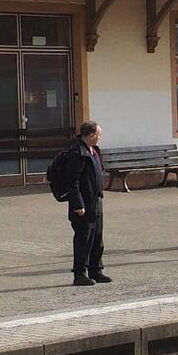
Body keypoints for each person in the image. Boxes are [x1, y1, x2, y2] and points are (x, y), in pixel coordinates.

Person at [51, 121, 111, 286]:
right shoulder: (77, 153)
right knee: (84, 239)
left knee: (97, 238)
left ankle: (96, 270)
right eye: (99, 134)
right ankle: (79, 274)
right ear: (91, 135)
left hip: (96, 200)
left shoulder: (94, 150)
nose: (100, 137)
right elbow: (73, 181)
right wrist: (78, 204)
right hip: (83, 204)